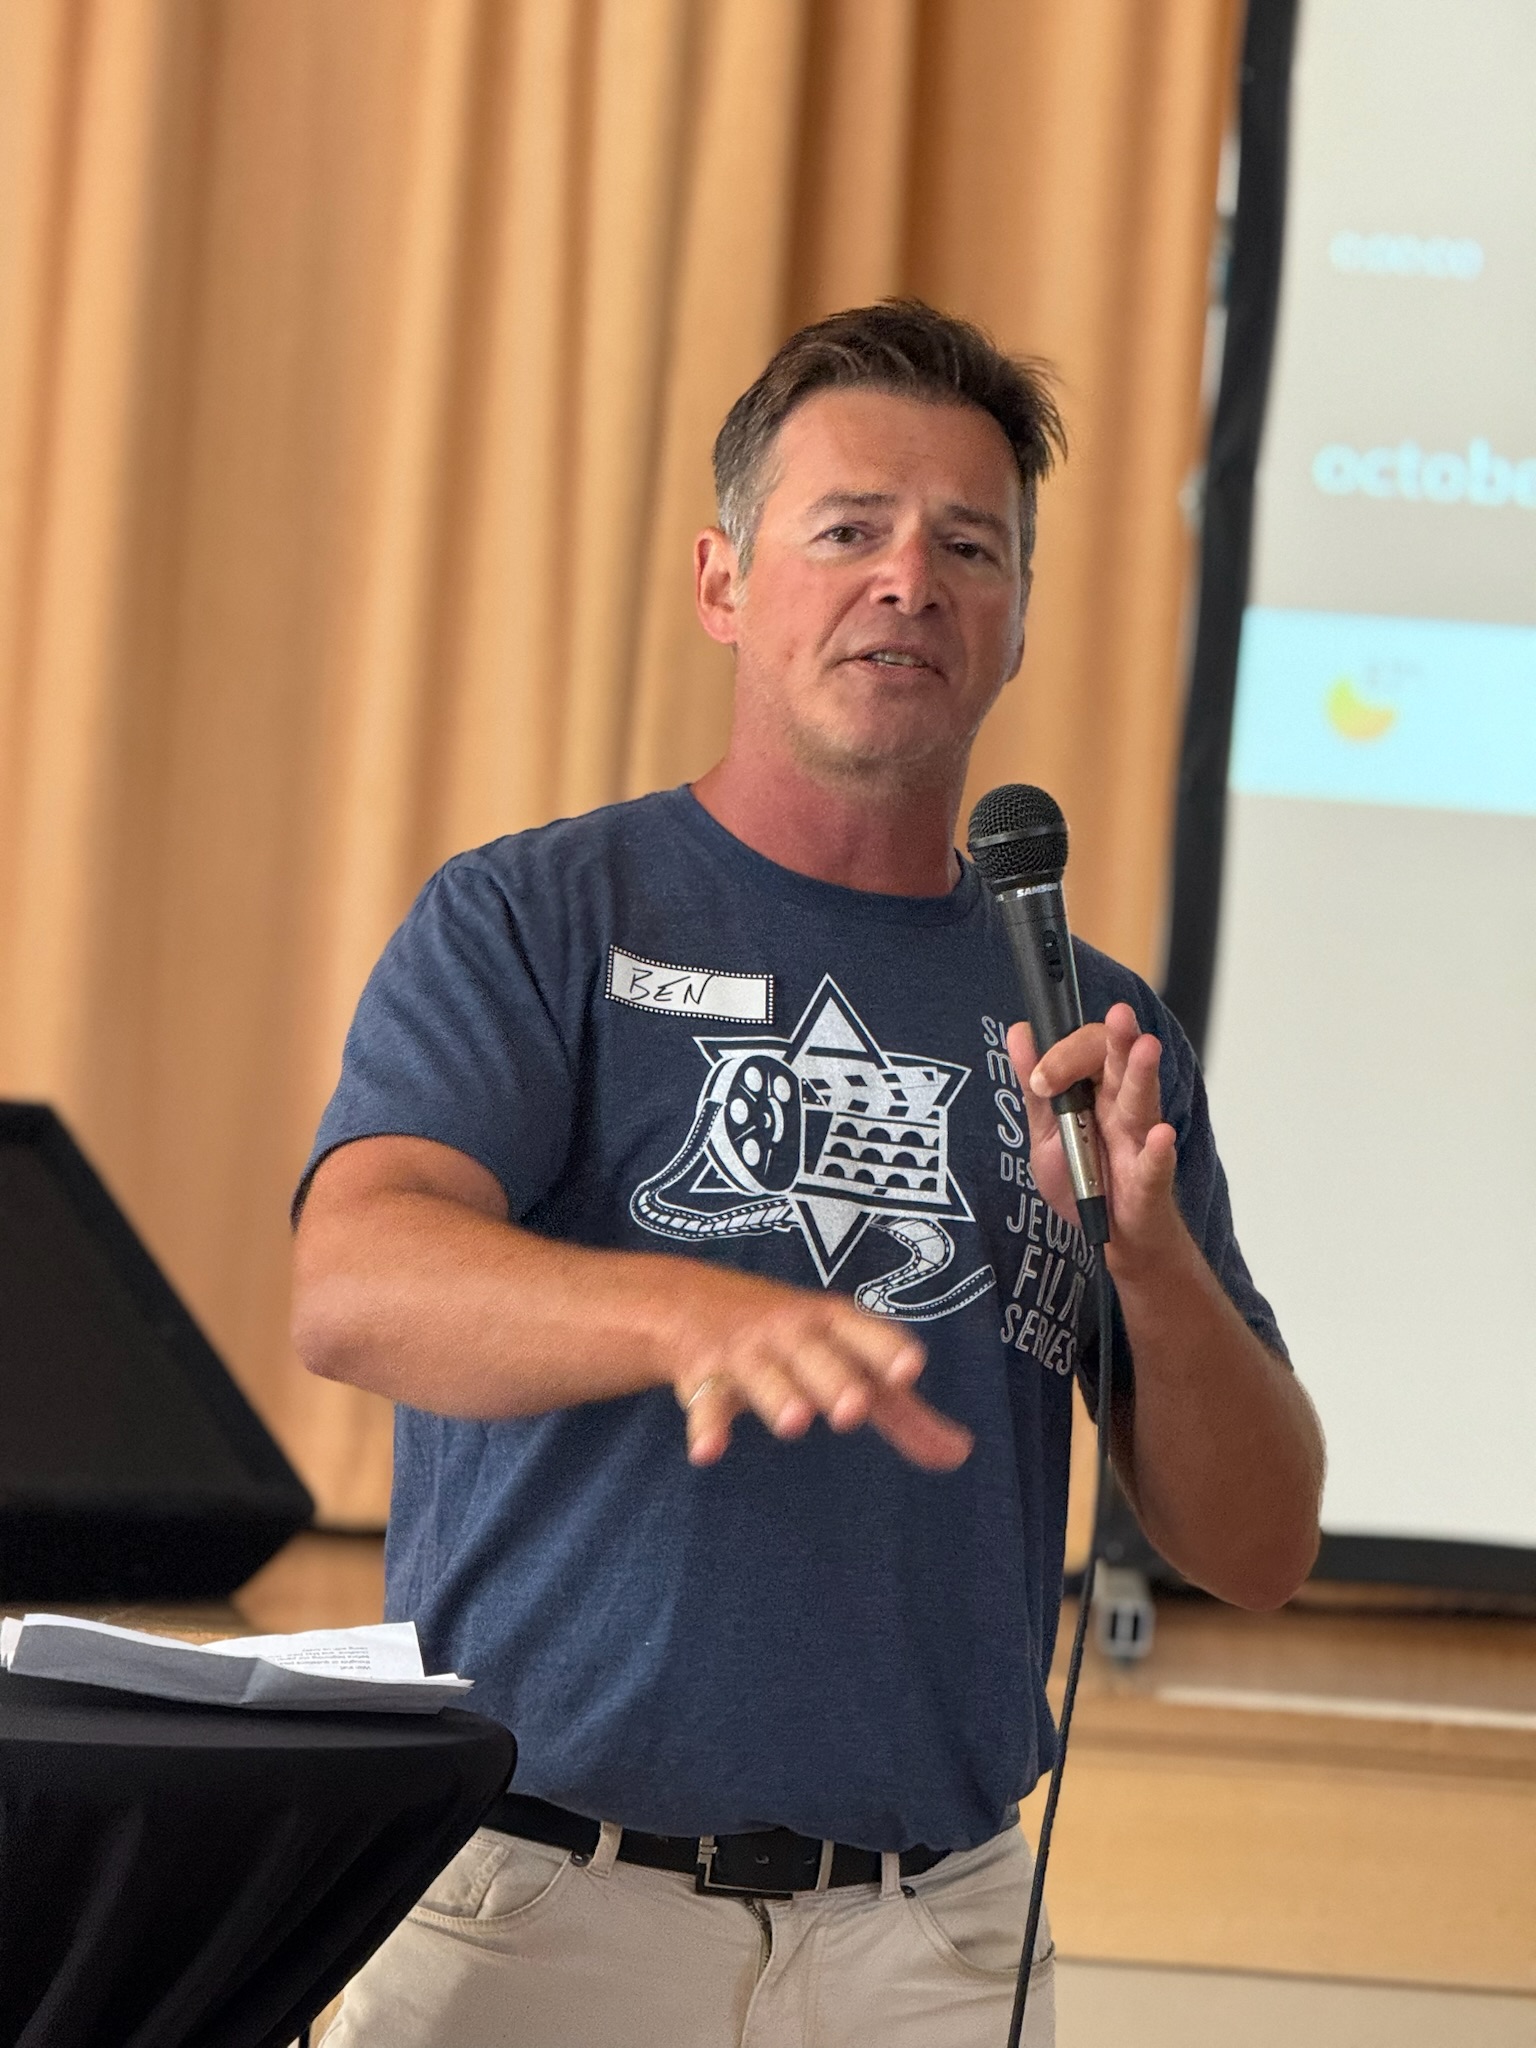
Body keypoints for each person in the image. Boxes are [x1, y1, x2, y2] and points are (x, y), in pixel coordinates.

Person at [292, 300, 1324, 2048]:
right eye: (849, 529)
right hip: (539, 1908)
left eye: (969, 547)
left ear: (1017, 622)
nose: (909, 580)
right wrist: (692, 1317)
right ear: (723, 583)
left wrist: (1151, 1270)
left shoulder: (1095, 1024)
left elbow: (1264, 1543)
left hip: (933, 1941)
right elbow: (353, 1281)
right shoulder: (540, 920)